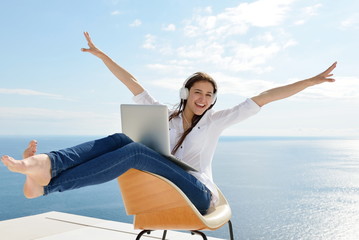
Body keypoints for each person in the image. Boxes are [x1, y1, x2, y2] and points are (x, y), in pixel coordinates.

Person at [1, 32, 337, 215]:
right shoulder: (166, 116)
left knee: (133, 151)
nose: (203, 98)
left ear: (214, 99)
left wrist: (309, 81)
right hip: (167, 186)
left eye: (209, 94)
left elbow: (265, 96)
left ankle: (47, 182)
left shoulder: (217, 121)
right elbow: (132, 83)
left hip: (198, 194)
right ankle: (45, 167)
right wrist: (103, 56)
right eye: (197, 92)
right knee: (122, 137)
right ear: (186, 93)